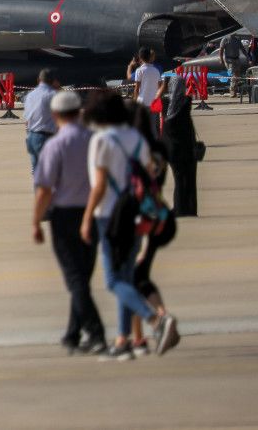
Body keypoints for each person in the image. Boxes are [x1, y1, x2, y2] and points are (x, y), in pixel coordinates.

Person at [80, 91, 179, 360]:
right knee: (125, 277)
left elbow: (99, 185)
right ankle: (123, 341)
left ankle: (156, 321)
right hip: (135, 214)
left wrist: (86, 217)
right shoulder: (135, 138)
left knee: (113, 281)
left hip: (109, 216)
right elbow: (149, 175)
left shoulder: (101, 140)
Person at [31, 91, 105, 355]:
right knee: (82, 277)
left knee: (75, 279)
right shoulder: (95, 140)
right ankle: (73, 335)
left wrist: (36, 221)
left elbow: (44, 189)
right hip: (92, 214)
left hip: (64, 217)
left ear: (54, 115)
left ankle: (96, 333)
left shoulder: (55, 145)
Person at [125, 99, 178, 356]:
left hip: (140, 219)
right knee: (139, 276)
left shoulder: (133, 151)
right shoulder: (158, 148)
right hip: (160, 215)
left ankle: (159, 321)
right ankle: (140, 336)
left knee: (131, 277)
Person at [162, 74, 198, 217]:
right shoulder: (185, 104)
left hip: (174, 150)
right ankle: (189, 208)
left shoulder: (167, 105)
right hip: (188, 148)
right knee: (189, 180)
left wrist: (163, 88)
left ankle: (180, 208)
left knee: (180, 180)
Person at [23, 69, 59, 174]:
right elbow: (61, 117)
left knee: (37, 172)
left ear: (38, 80)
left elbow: (27, 120)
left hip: (31, 136)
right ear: (54, 81)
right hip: (46, 137)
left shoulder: (30, 95)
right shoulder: (53, 95)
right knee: (50, 172)